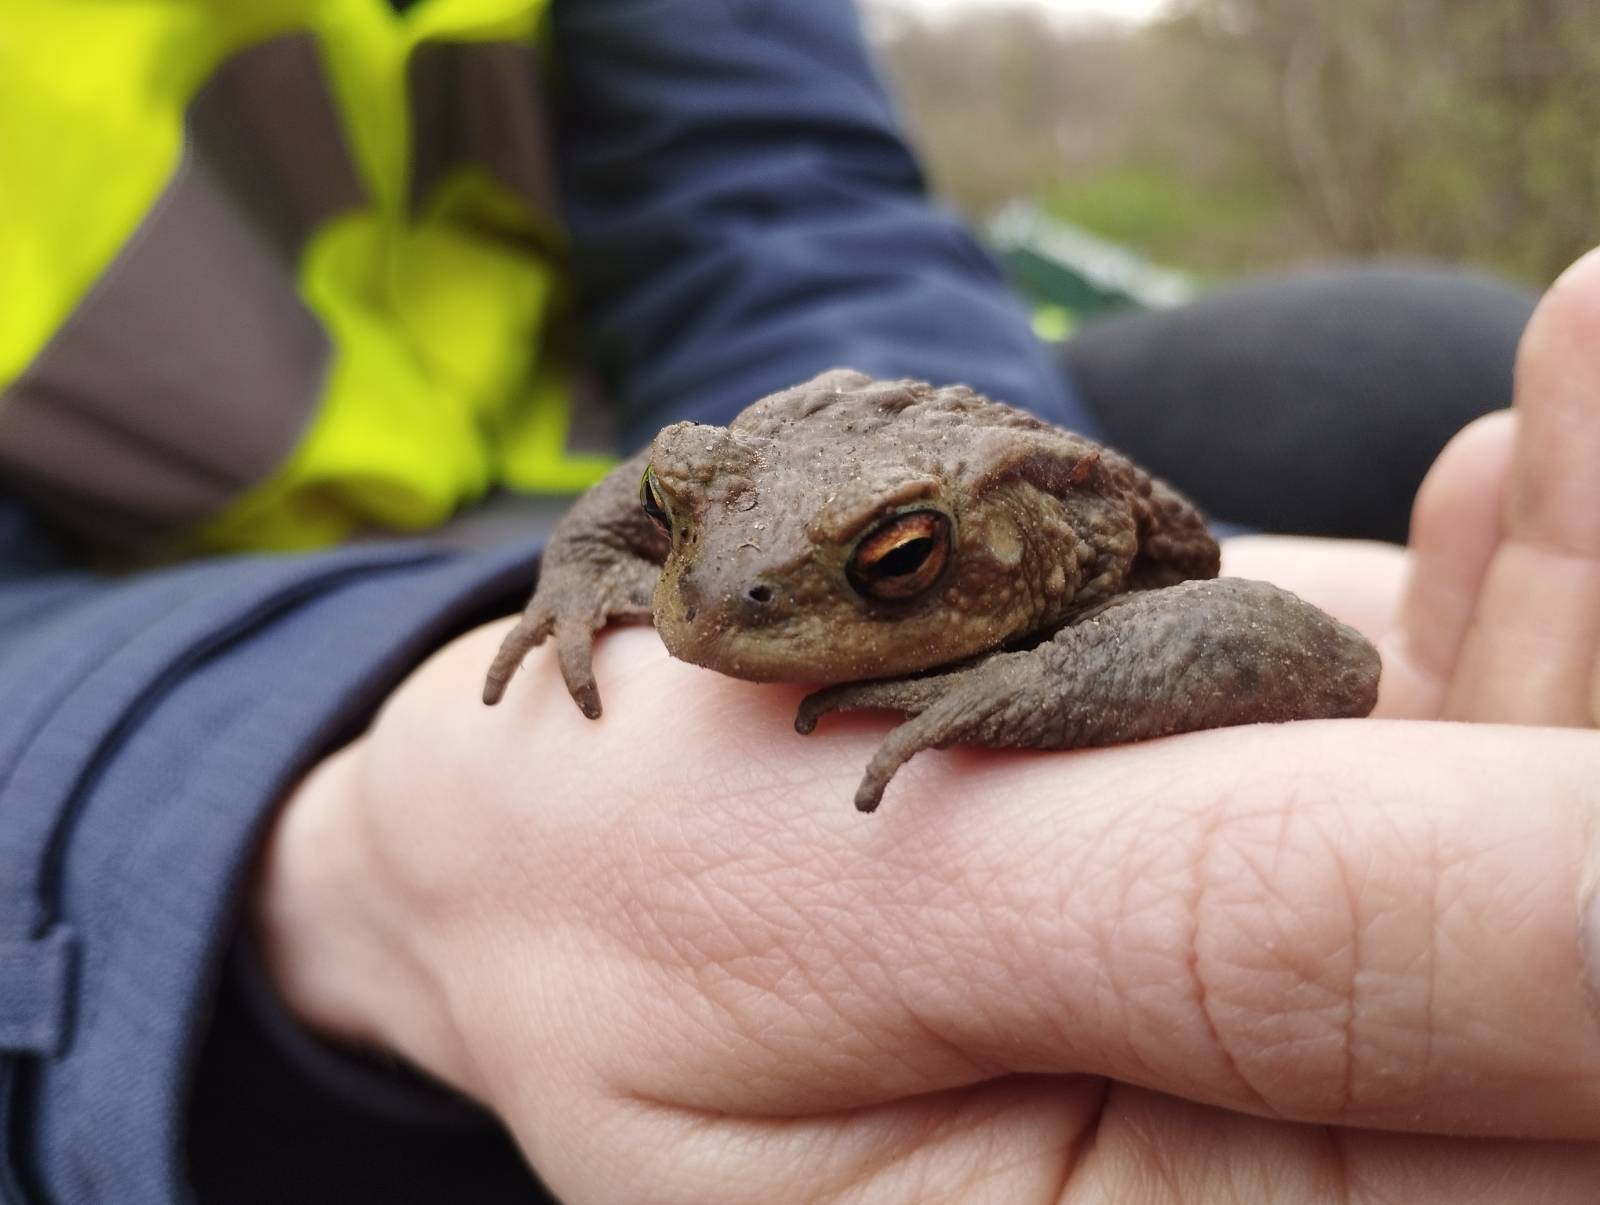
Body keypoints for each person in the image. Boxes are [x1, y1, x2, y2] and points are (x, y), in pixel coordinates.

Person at [0, 1, 1581, 1203]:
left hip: (819, 466)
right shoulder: (724, 540)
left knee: (1421, 367)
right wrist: (526, 614)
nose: (720, 603)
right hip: (142, 623)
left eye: (892, 573)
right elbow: (683, 477)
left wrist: (1011, 672)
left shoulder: (1052, 557)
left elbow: (771, 195)